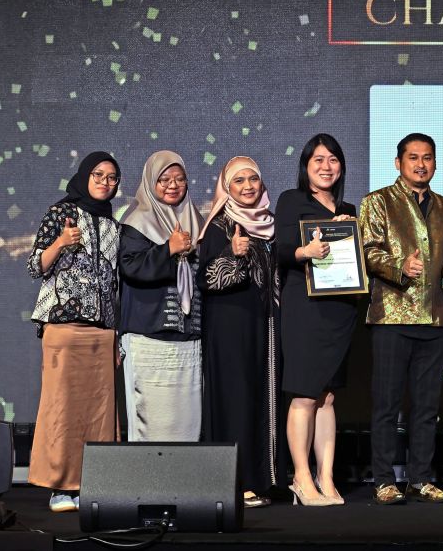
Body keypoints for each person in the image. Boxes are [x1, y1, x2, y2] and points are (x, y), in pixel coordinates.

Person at [359, 133, 443, 505]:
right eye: (413, 157)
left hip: (434, 319)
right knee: (386, 405)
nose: (421, 164)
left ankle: (421, 478)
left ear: (435, 163)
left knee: (427, 407)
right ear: (398, 162)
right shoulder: (377, 202)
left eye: (428, 158)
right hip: (391, 316)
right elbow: (367, 253)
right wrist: (399, 267)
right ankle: (384, 480)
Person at [26, 152, 122, 513]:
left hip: (102, 333)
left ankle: (91, 484)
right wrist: (60, 243)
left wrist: (117, 336)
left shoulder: (114, 225)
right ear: (85, 176)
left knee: (99, 414)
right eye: (98, 175)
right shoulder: (60, 213)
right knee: (62, 410)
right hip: (64, 328)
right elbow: (35, 266)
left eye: (112, 178)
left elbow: (113, 285)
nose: (105, 182)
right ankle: (60, 487)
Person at [274, 135, 356, 506]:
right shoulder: (293, 201)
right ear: (306, 165)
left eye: (333, 159)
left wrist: (350, 231)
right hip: (305, 308)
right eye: (318, 159)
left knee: (327, 397)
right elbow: (279, 249)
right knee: (305, 395)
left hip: (340, 309)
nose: (326, 166)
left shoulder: (349, 207)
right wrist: (304, 251)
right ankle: (301, 479)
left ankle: (326, 478)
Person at [198, 156, 279, 508]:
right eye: (239, 181)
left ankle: (260, 478)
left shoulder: (269, 225)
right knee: (234, 400)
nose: (248, 187)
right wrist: (232, 255)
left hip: (261, 325)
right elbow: (206, 279)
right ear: (226, 188)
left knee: (258, 398)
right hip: (229, 327)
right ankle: (235, 483)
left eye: (253, 179)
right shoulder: (219, 225)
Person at [118, 151, 202, 442]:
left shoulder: (197, 221)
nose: (172, 185)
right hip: (149, 337)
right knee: (152, 420)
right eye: (164, 179)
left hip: (189, 336)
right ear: (150, 182)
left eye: (179, 179)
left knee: (187, 420)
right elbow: (131, 267)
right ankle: (149, 484)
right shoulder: (136, 222)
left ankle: (185, 482)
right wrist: (168, 248)